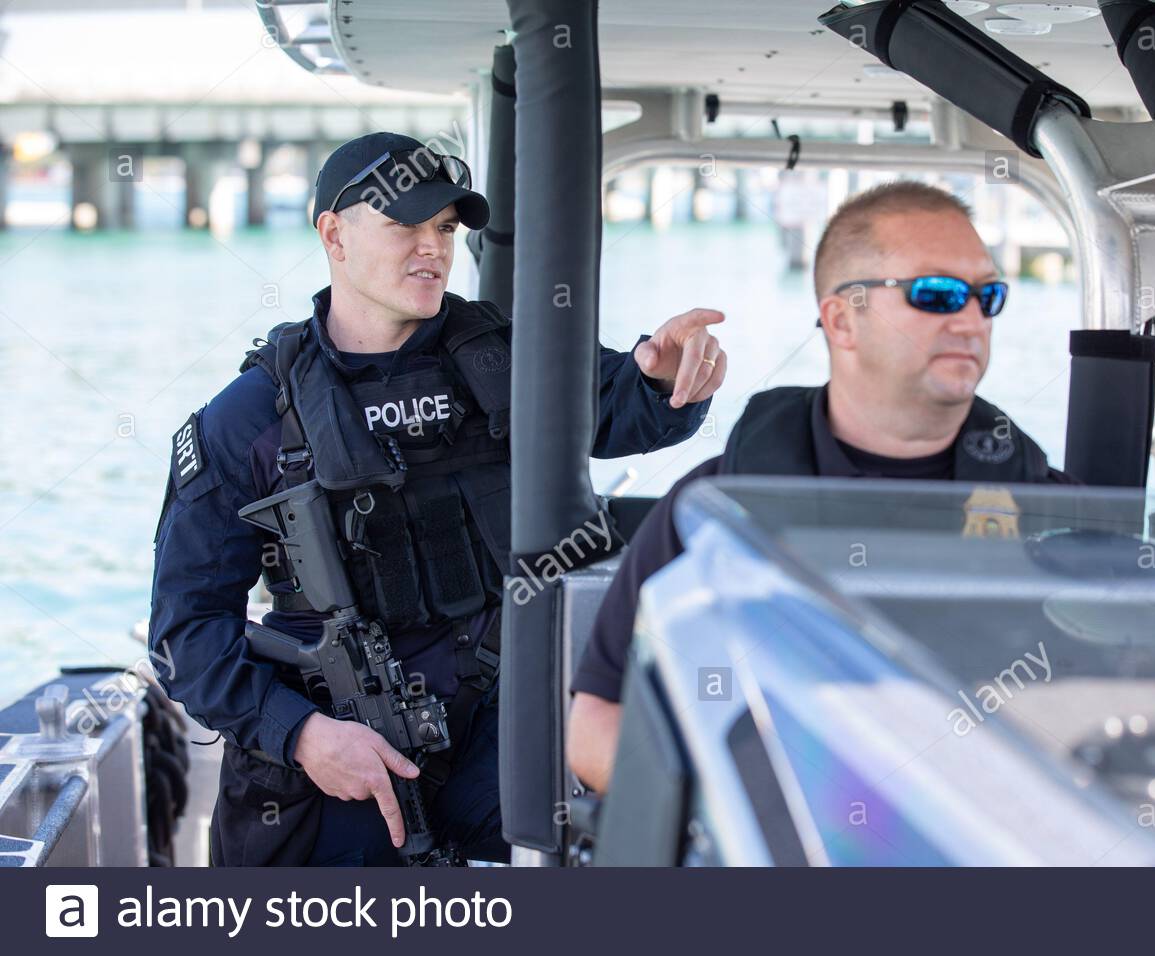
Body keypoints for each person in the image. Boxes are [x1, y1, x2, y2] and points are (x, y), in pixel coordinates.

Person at [149, 132, 727, 866]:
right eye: (405, 226)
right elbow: (184, 630)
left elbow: (622, 406)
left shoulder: (498, 357)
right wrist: (302, 735)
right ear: (333, 234)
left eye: (446, 229)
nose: (433, 248)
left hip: (497, 737)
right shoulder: (249, 418)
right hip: (340, 760)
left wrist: (662, 371)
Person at [567, 180, 1074, 793]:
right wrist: (751, 819)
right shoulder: (721, 506)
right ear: (843, 318)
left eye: (986, 296)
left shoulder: (1049, 512)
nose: (971, 320)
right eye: (937, 294)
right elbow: (595, 725)